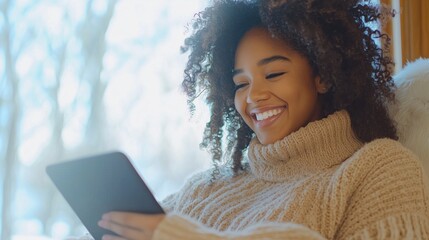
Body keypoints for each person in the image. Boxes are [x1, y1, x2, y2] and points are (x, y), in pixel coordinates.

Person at [96, 0, 429, 239]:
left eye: (274, 73)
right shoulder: (205, 187)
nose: (253, 96)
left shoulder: (379, 168)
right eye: (240, 84)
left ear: (323, 75)